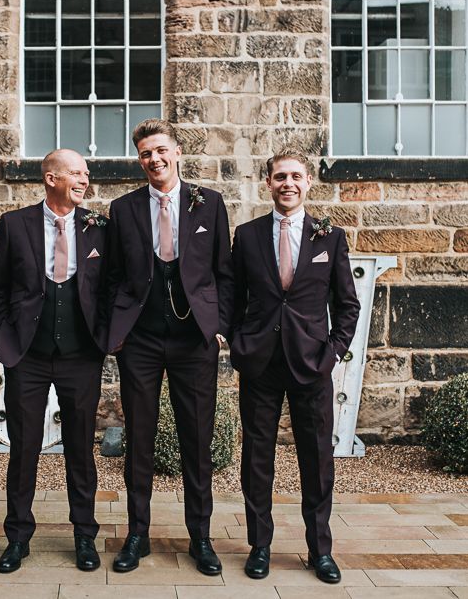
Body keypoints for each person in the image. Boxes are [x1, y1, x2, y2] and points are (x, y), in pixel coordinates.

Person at [105, 118, 234, 575]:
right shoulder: (122, 209)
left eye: (161, 150)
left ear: (177, 152)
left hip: (193, 339)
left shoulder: (210, 204)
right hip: (139, 339)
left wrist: (220, 325)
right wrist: (116, 333)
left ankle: (200, 536)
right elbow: (113, 276)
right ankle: (136, 534)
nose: (154, 159)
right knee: (138, 438)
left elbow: (223, 272)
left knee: (196, 440)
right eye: (145, 154)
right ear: (139, 160)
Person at [229, 148, 360, 584]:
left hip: (311, 365)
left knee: (318, 459)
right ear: (268, 182)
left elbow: (347, 305)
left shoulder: (330, 237)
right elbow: (232, 298)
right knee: (257, 458)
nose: (288, 183)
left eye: (296, 176)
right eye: (280, 176)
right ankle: (260, 546)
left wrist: (332, 352)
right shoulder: (246, 236)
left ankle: (320, 550)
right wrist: (239, 342)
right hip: (260, 365)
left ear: (308, 183)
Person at [0, 149, 107, 573]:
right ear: (51, 177)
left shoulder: (98, 227)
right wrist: (5, 341)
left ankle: (85, 536)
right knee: (23, 449)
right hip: (28, 357)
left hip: (81, 356)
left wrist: (104, 338)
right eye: (76, 172)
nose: (84, 179)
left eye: (86, 173)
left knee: (80, 449)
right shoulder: (14, 225)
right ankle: (17, 537)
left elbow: (110, 288)